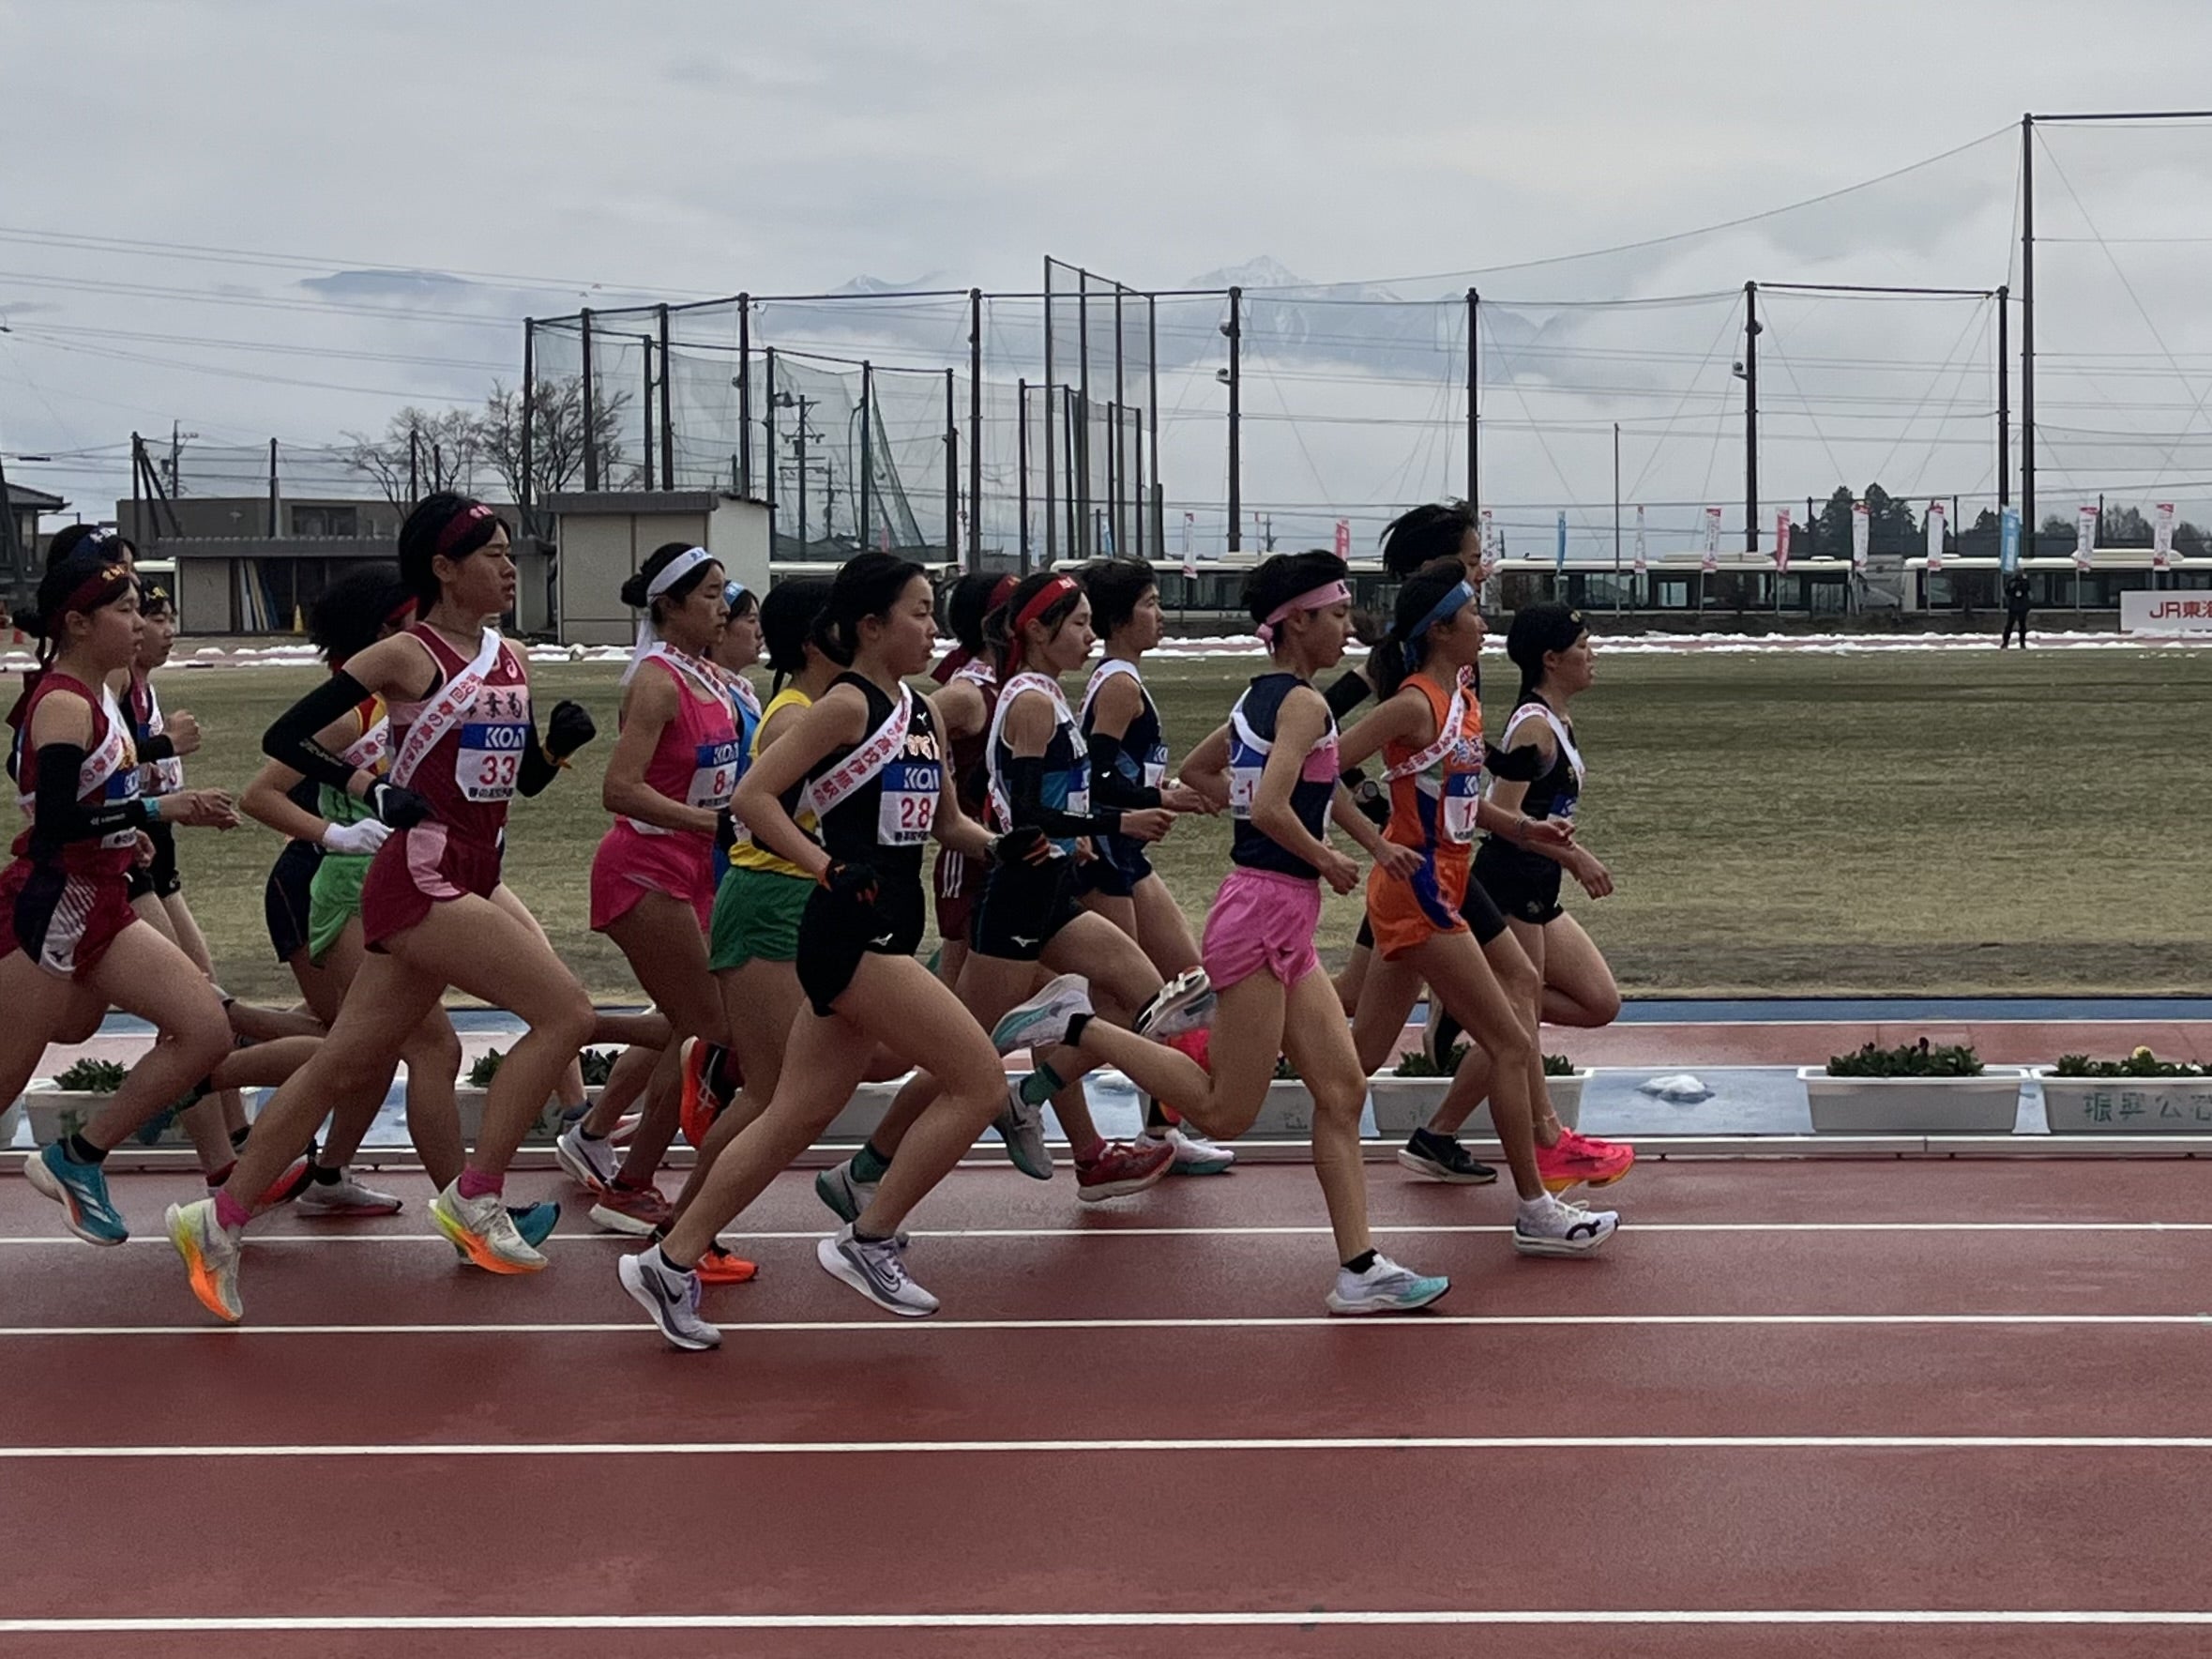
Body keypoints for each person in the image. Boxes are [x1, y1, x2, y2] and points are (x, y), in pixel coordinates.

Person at [166, 494, 625, 1323]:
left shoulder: (512, 656)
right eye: (490, 553)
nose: (509, 566)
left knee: (345, 1060)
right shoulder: (404, 656)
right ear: (443, 569)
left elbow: (509, 782)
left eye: (511, 552)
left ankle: (217, 1220)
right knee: (568, 1012)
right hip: (422, 882)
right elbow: (283, 743)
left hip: (473, 874)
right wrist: (370, 788)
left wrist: (555, 750)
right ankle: (477, 1196)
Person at [990, 550, 1454, 1314]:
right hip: (1266, 910)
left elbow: (1231, 776)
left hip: (1276, 909)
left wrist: (1370, 847)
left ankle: (1360, 1268)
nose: (1348, 627)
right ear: (1297, 622)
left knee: (1340, 1090)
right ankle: (1075, 1025)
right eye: (1337, 614)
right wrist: (1326, 858)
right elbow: (1272, 806)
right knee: (1225, 1107)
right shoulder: (1301, 705)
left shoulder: (1264, 699)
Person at [618, 552, 1024, 1347]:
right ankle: (869, 1237)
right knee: (977, 1080)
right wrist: (824, 866)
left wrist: (1007, 849)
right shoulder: (840, 708)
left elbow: (947, 825)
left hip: (891, 924)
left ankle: (670, 1261)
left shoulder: (922, 712)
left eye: (933, 609)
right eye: (917, 611)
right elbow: (751, 799)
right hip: (851, 936)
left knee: (792, 1113)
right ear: (870, 626)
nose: (931, 625)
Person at [816, 568, 1189, 1210]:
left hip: (1054, 893)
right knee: (966, 1054)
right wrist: (1115, 820)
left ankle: (1030, 1093)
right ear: (1038, 631)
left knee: (1147, 996)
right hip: (1016, 899)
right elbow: (1025, 818)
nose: (1091, 636)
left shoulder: (1047, 694)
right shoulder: (1031, 702)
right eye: (1078, 624)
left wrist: (1098, 827)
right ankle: (863, 1170)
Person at [1334, 570, 1622, 1245]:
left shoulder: (1461, 697)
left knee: (1354, 1062)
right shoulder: (1412, 704)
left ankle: (1223, 1065)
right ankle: (1536, 1209)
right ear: (1439, 629)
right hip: (1418, 889)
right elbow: (1319, 769)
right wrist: (1375, 842)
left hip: (1457, 880)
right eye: (1471, 613)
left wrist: (1529, 832)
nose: (1484, 624)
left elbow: (1463, 805)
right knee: (1510, 1037)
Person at [5, 539, 263, 1244]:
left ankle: (77, 1156)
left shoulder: (100, 695)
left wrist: (125, 834)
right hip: (52, 906)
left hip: (102, 898)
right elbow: (54, 820)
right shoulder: (63, 702)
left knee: (205, 1027)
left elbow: (91, 792)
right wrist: (155, 812)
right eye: (125, 610)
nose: (141, 622)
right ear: (79, 624)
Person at [1405, 602, 1630, 1188]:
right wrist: (1575, 857)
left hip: (1538, 886)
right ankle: (1476, 1134)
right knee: (1517, 1023)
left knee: (1599, 1002)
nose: (1593, 654)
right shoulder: (1532, 727)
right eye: (1584, 645)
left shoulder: (1557, 719)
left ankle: (1464, 1014)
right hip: (1509, 883)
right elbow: (1499, 816)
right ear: (1551, 659)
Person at [567, 544, 742, 1238]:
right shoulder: (659, 681)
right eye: (708, 595)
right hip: (642, 869)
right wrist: (712, 822)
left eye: (725, 593)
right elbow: (620, 787)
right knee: (711, 1030)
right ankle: (641, 1183)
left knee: (685, 1028)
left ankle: (631, 1178)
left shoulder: (715, 680)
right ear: (667, 605)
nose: (721, 607)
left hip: (696, 871)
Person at [1075, 556, 1235, 1175]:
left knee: (1182, 986)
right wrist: (1157, 797)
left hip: (1128, 852)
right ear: (1118, 618)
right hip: (1108, 853)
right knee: (1131, 1002)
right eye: (1149, 603)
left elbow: (1116, 772)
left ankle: (1158, 1129)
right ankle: (1044, 1073)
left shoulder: (1123, 679)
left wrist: (1159, 786)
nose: (1160, 614)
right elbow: (1092, 779)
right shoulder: (1117, 683)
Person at [2002, 569, 2032, 648]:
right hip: (2014, 607)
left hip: (2020, 607)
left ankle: (2021, 643)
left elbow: (2027, 589)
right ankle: (2006, 643)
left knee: (2021, 626)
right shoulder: (2012, 582)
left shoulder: (2024, 582)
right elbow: (2007, 591)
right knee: (2010, 626)